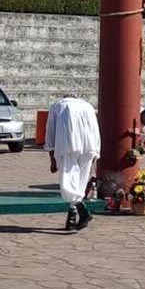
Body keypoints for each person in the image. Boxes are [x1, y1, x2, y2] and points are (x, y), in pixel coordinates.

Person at [45, 96, 100, 230]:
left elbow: (50, 131)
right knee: (80, 184)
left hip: (67, 145)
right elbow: (96, 130)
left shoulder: (58, 106)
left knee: (68, 183)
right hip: (89, 146)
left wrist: (52, 157)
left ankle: (82, 210)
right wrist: (96, 153)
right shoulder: (88, 106)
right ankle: (72, 218)